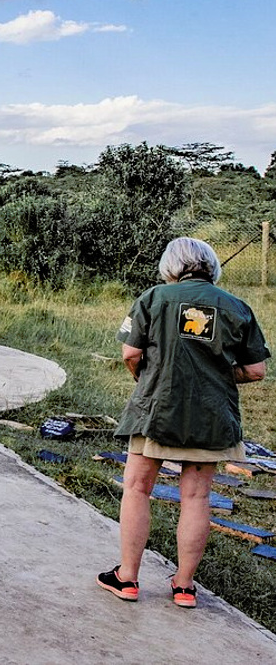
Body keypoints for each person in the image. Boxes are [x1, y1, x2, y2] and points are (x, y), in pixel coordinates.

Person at [98, 237, 268, 608]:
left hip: (157, 409)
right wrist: (216, 374)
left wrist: (146, 378)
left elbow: (130, 353)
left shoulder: (154, 298)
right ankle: (185, 587)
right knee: (197, 497)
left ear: (170, 266)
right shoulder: (237, 306)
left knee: (137, 487)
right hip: (212, 415)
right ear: (211, 267)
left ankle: (127, 578)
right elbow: (256, 370)